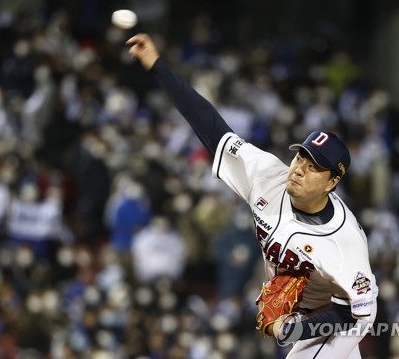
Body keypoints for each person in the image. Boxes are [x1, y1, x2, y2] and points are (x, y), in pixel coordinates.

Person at [127, 33, 378, 359]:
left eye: (314, 166)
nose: (299, 168)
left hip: (346, 315)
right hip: (297, 294)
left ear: (332, 182)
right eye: (300, 156)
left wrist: (294, 327)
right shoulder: (267, 176)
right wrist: (158, 67)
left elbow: (353, 314)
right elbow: (211, 125)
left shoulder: (345, 242)